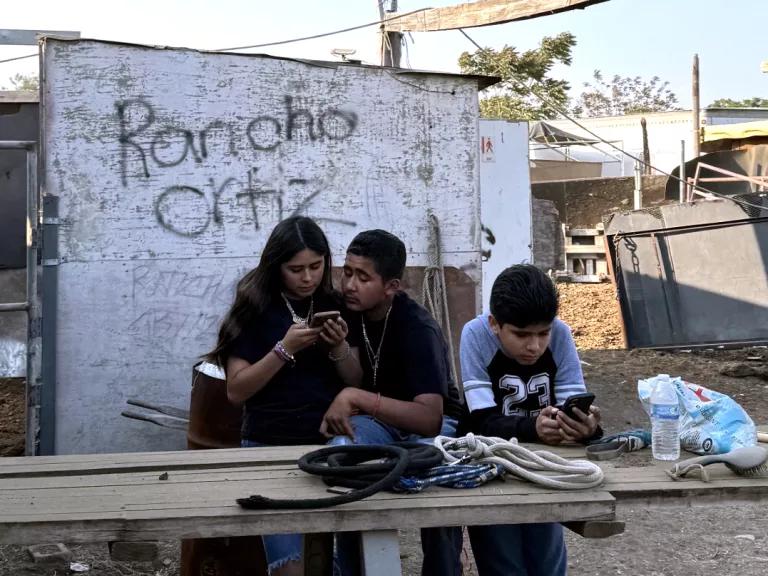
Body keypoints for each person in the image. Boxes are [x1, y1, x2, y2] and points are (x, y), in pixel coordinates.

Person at [207, 216, 361, 576]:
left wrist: (338, 346)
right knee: (289, 567)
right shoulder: (255, 307)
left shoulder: (335, 304)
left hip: (329, 447)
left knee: (330, 563)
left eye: (315, 266)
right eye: (296, 269)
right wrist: (283, 349)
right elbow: (236, 390)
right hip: (267, 445)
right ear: (276, 266)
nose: (307, 277)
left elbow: (356, 381)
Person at [319, 229, 463, 576]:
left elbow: (430, 418)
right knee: (344, 456)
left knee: (439, 475)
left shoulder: (418, 329)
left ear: (392, 286)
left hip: (433, 424)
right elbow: (354, 376)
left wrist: (354, 398)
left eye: (363, 277)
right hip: (380, 422)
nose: (350, 284)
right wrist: (338, 349)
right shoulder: (351, 310)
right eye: (347, 272)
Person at [448, 264, 603, 576]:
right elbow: (479, 421)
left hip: (545, 466)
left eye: (542, 333)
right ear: (495, 324)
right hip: (489, 464)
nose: (534, 346)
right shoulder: (475, 335)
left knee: (547, 563)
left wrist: (588, 428)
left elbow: (573, 408)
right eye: (521, 335)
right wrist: (533, 427)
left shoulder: (560, 333)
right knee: (503, 563)